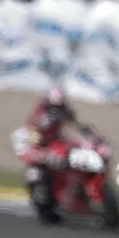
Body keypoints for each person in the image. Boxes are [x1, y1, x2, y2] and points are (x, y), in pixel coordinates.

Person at [20, 87, 84, 224]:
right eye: (54, 106)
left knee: (75, 159)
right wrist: (39, 149)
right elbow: (32, 135)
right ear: (47, 103)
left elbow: (76, 124)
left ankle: (77, 193)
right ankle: (44, 206)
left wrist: (87, 136)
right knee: (36, 174)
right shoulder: (39, 117)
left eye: (59, 106)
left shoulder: (65, 112)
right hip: (42, 147)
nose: (56, 110)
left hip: (56, 143)